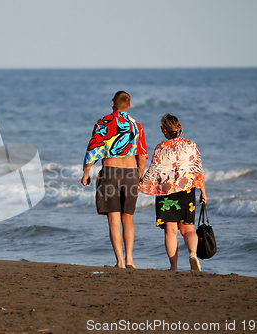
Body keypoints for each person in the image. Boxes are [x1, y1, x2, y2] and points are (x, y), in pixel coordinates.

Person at [81, 91, 147, 269]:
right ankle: (130, 260)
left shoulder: (103, 123)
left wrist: (86, 173)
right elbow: (142, 156)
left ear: (113, 104)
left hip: (111, 172)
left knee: (113, 219)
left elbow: (93, 149)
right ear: (130, 105)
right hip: (131, 173)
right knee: (129, 219)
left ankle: (120, 262)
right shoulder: (136, 126)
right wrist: (139, 176)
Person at [140, 113, 208, 272]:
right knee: (188, 230)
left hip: (166, 194)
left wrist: (141, 183)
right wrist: (203, 192)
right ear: (179, 129)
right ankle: (192, 254)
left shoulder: (161, 148)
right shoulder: (191, 145)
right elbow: (198, 171)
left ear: (164, 131)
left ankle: (173, 267)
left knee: (170, 231)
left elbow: (153, 171)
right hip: (187, 192)